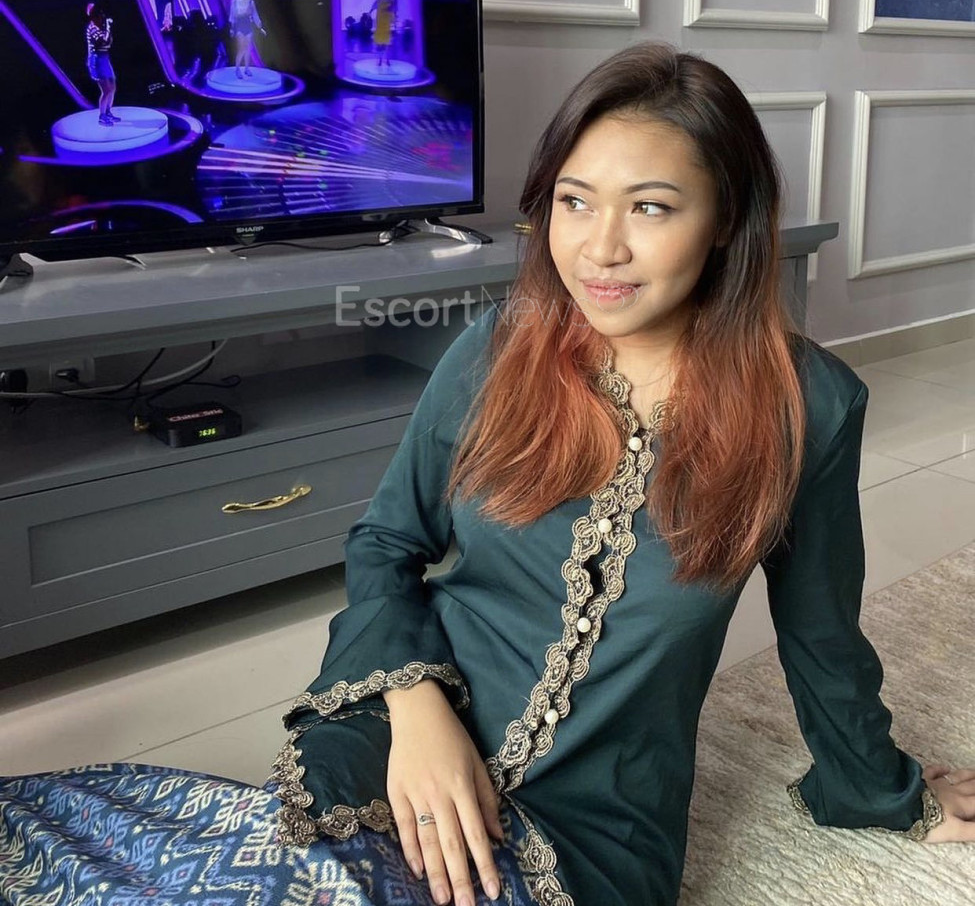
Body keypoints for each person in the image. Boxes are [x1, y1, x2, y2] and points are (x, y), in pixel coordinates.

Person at [1, 44, 971, 906]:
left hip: (593, 826)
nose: (599, 248)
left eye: (651, 208)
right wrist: (416, 707)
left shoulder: (807, 406)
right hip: (399, 737)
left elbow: (821, 633)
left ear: (725, 219)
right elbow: (385, 545)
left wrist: (880, 792)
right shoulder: (497, 350)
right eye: (573, 201)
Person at [85, 1, 118, 126]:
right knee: (106, 90)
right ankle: (102, 116)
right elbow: (104, 41)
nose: (101, 16)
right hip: (97, 60)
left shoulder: (101, 27)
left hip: (105, 58)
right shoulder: (92, 28)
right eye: (98, 14)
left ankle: (108, 112)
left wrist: (107, 30)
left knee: (112, 87)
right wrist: (108, 27)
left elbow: (109, 42)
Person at [228, 0, 266, 78]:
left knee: (248, 48)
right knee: (241, 48)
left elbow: (255, 15)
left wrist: (260, 28)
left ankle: (246, 68)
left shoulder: (251, 2)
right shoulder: (235, 2)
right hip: (239, 27)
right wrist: (231, 29)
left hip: (248, 27)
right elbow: (232, 16)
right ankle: (237, 69)